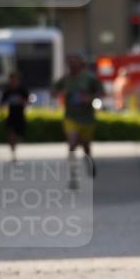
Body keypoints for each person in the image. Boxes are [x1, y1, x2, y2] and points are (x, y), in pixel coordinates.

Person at [53, 54, 104, 183]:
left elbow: (101, 92)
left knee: (86, 146)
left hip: (87, 118)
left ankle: (89, 162)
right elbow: (54, 91)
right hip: (70, 117)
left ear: (80, 64)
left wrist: (90, 98)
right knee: (72, 143)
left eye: (75, 63)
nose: (72, 65)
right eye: (70, 63)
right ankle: (73, 173)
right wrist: (60, 93)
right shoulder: (65, 79)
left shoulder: (89, 78)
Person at [0, 72, 30, 160]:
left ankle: (14, 145)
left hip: (20, 115)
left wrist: (23, 102)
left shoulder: (22, 90)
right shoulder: (7, 91)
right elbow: (1, 103)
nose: (13, 82)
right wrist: (1, 112)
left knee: (19, 135)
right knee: (11, 134)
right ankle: (13, 151)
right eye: (11, 80)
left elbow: (28, 101)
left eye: (15, 80)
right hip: (11, 115)